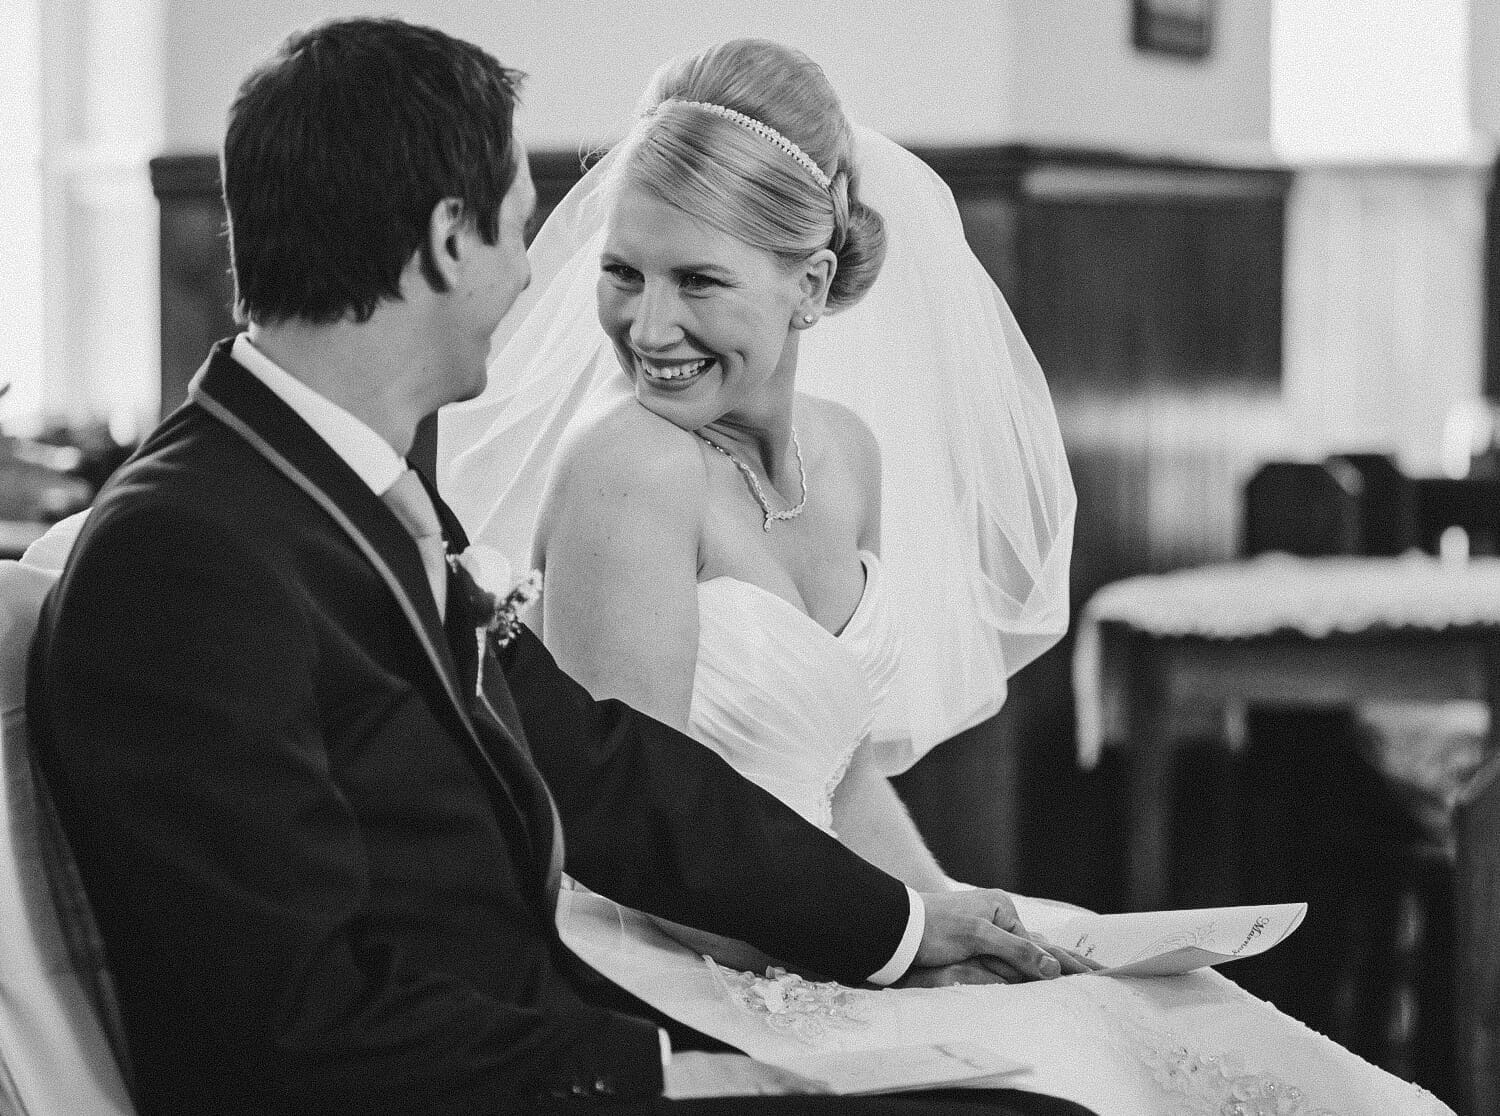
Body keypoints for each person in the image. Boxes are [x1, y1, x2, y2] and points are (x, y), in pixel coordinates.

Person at [24, 18, 1103, 1116]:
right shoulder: (186, 555)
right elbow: (295, 1024)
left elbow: (603, 775)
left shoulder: (343, 489)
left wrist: (908, 925)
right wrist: (685, 1077)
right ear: (454, 240)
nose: (536, 271)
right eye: (518, 229)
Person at [437, 38, 1455, 1116]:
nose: (647, 327)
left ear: (810, 285)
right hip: (682, 967)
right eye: (622, 273)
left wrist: (966, 912)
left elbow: (841, 773)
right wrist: (907, 942)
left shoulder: (846, 457)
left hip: (837, 921)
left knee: (1222, 1043)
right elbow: (648, 840)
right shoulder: (628, 468)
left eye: (697, 281)